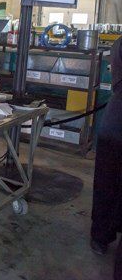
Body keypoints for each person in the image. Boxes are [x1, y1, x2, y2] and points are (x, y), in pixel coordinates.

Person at [91, 36, 122, 279]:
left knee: (108, 184)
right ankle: (100, 235)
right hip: (117, 125)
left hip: (115, 121)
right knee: (108, 183)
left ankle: (101, 236)